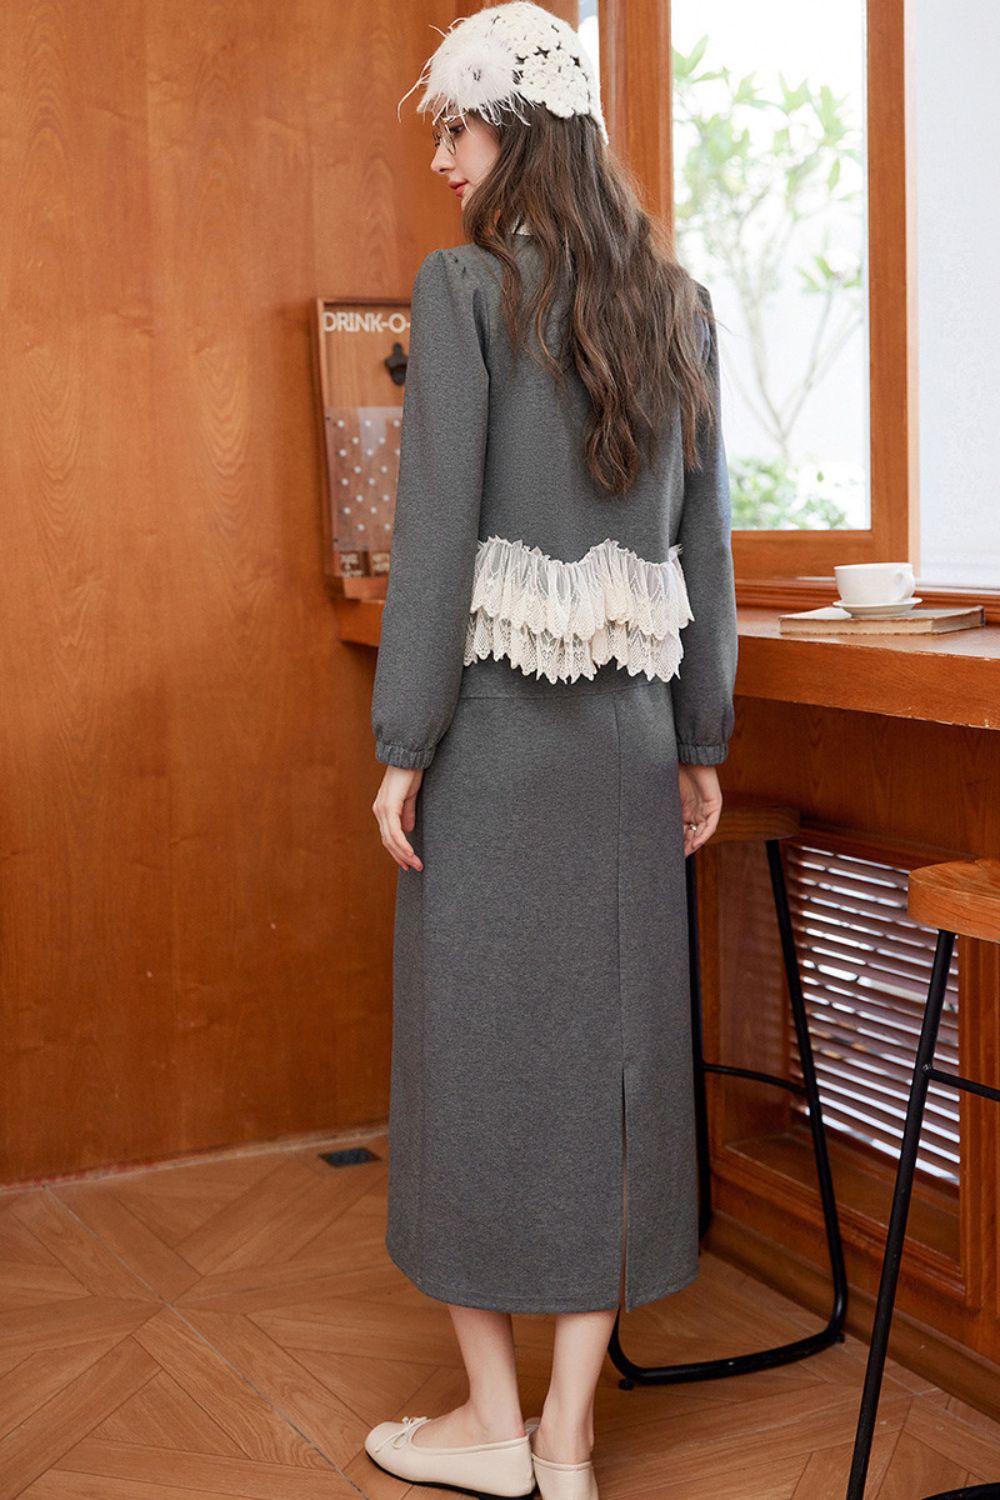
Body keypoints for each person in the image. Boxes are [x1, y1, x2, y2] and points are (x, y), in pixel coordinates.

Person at [366, 5, 738, 1497]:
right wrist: (697, 737)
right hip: (631, 751)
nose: (443, 162)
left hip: (503, 752)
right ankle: (573, 1441)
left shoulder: (461, 292)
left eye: (452, 129)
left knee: (469, 1070)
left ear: (510, 128)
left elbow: (435, 546)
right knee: (610, 1075)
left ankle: (493, 1428)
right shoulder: (681, 304)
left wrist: (404, 747)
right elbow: (704, 548)